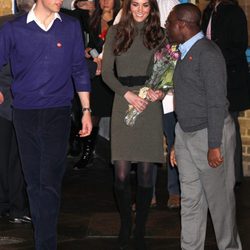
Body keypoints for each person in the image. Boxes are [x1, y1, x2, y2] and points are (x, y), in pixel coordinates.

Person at [0, 0, 92, 249]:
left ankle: (45, 242)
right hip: (24, 113)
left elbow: (79, 69)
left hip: (58, 112)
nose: (60, 0)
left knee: (50, 180)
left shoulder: (71, 26)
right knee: (34, 181)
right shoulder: (13, 28)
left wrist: (86, 110)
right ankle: (44, 240)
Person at [168, 3, 242, 250]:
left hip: (210, 135)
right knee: (191, 201)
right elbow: (188, 98)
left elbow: (216, 103)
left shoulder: (208, 53)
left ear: (182, 25)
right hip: (187, 135)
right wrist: (178, 140)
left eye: (170, 22)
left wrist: (214, 145)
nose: (167, 26)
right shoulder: (185, 50)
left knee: (221, 205)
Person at [102, 0, 165, 248]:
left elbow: (166, 71)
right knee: (120, 174)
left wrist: (159, 91)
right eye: (135, 4)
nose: (140, 9)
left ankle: (140, 228)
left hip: (149, 106)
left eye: (146, 5)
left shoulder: (159, 34)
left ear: (152, 9)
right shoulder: (116, 33)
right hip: (123, 101)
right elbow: (107, 74)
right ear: (128, 7)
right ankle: (126, 222)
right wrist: (126, 94)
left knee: (147, 175)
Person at [201, 0, 250, 187]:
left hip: (231, 80)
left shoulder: (234, 12)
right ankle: (220, 171)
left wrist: (214, 58)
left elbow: (239, 46)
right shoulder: (209, 11)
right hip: (214, 77)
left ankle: (234, 175)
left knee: (230, 126)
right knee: (216, 124)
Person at [73, 0, 120, 170]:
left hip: (117, 72)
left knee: (119, 116)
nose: (105, 2)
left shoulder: (121, 19)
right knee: (92, 113)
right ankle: (87, 153)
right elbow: (92, 44)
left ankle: (122, 157)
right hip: (98, 73)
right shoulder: (93, 18)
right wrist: (88, 50)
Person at [0, 0, 34, 224]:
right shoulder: (13, 26)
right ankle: (15, 207)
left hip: (14, 97)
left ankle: (11, 205)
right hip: (10, 98)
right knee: (14, 157)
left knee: (9, 156)